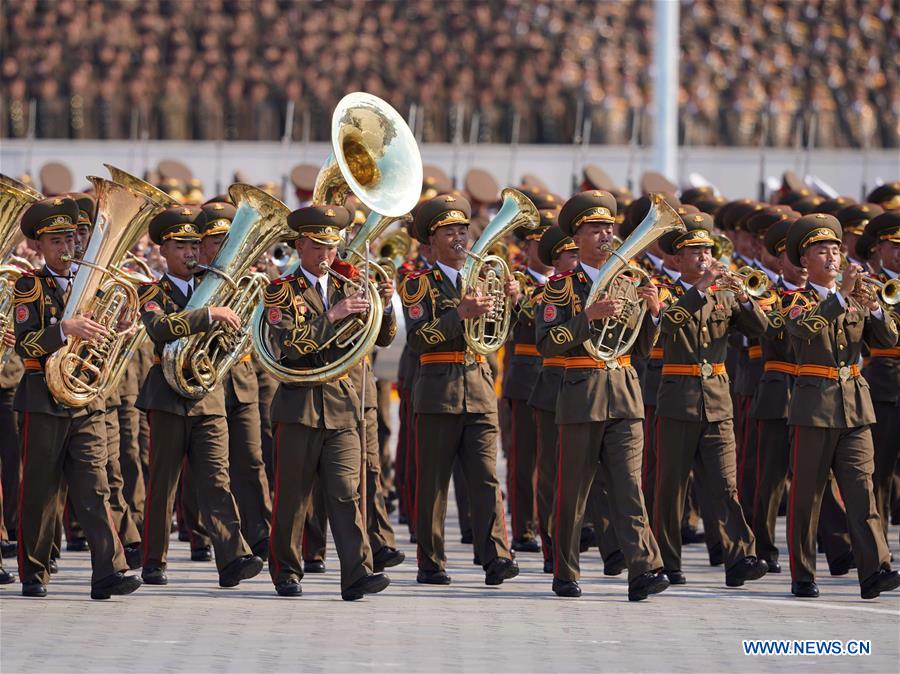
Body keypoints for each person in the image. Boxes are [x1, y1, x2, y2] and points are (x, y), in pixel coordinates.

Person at [535, 190, 668, 601]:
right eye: (596, 229)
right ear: (576, 238)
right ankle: (565, 571)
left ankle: (644, 569)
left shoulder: (630, 282)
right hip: (581, 395)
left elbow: (640, 348)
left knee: (629, 487)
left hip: (624, 394)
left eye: (609, 227)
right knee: (573, 492)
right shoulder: (560, 288)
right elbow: (547, 343)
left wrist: (655, 314)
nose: (606, 235)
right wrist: (585, 319)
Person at [13, 196, 141, 599]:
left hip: (85, 400)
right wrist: (64, 330)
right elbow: (24, 344)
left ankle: (108, 571)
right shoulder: (30, 286)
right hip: (43, 400)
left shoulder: (97, 284)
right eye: (56, 241)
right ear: (39, 246)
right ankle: (34, 571)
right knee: (41, 491)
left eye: (71, 239)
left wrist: (119, 326)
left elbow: (107, 338)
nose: (67, 247)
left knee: (95, 487)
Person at [263, 204, 391, 601]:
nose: (326, 255)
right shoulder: (281, 291)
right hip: (299, 405)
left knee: (346, 492)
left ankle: (357, 574)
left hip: (341, 403)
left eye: (332, 247)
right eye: (318, 247)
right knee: (293, 497)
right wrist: (331, 317)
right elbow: (288, 346)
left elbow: (380, 338)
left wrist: (385, 307)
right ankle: (286, 570)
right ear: (300, 246)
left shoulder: (347, 286)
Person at [136, 205, 262, 588]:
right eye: (181, 247)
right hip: (167, 397)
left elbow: (234, 336)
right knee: (164, 483)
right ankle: (153, 560)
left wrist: (226, 326)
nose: (191, 253)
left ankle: (232, 557)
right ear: (163, 251)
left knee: (216, 480)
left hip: (207, 396)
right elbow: (159, 328)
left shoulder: (217, 287)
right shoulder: (151, 291)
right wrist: (207, 316)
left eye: (194, 246)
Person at [400, 193, 518, 587]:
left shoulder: (483, 277)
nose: (459, 237)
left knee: (486, 478)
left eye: (463, 230)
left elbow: (500, 334)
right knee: (433, 484)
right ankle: (431, 562)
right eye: (449, 231)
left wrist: (513, 303)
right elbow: (418, 339)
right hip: (438, 392)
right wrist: (459, 314)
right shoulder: (418, 284)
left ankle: (496, 556)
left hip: (479, 388)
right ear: (431, 242)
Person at [783, 213, 899, 599]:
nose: (832, 256)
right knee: (807, 496)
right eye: (822, 250)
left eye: (835, 249)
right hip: (814, 407)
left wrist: (875, 307)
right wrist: (840, 296)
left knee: (862, 491)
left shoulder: (854, 298)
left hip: (855, 405)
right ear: (804, 260)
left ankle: (875, 569)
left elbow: (886, 338)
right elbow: (803, 329)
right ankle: (803, 574)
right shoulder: (795, 300)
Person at [653, 212, 769, 588]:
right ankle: (667, 562)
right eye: (695, 251)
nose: (704, 257)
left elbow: (760, 329)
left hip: (717, 399)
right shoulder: (663, 290)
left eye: (707, 250)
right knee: (672, 487)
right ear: (677, 258)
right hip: (678, 399)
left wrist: (745, 299)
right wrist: (701, 288)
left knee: (724, 484)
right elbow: (667, 324)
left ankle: (740, 557)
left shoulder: (723, 294)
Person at [528, 225, 578, 574]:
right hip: (553, 386)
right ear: (556, 260)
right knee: (550, 473)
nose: (577, 260)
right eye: (571, 255)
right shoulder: (548, 292)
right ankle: (551, 545)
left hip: (590, 387)